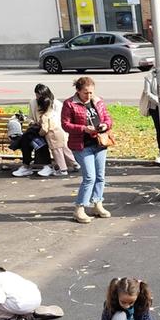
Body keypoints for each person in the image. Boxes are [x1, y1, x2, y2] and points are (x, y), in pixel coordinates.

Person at [61, 76, 113, 224]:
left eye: (91, 92)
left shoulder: (97, 101)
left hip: (99, 144)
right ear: (78, 91)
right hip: (82, 146)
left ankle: (97, 203)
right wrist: (84, 129)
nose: (89, 96)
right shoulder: (69, 104)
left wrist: (105, 125)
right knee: (89, 177)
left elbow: (108, 118)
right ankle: (79, 208)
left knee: (100, 176)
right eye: (86, 93)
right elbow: (65, 125)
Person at [32, 84, 76, 177]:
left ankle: (63, 169)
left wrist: (40, 133)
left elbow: (44, 129)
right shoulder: (52, 113)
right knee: (65, 149)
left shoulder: (45, 116)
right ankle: (75, 163)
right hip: (61, 132)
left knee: (57, 152)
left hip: (52, 137)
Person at [139, 64, 160, 164]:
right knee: (159, 130)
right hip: (155, 107)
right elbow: (147, 92)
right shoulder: (149, 76)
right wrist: (159, 102)